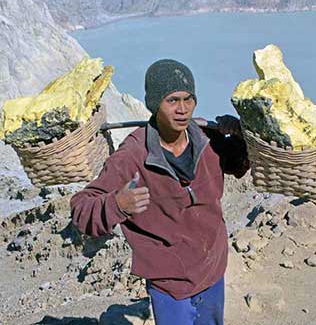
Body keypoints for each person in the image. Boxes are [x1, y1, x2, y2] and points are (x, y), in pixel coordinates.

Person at [71, 59, 249, 325]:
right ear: (154, 103)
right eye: (172, 100)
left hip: (212, 265)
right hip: (169, 280)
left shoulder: (207, 140)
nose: (182, 109)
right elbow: (81, 209)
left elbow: (240, 165)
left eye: (188, 99)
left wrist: (240, 136)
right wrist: (116, 204)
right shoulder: (133, 156)